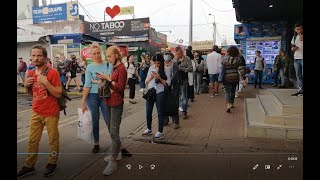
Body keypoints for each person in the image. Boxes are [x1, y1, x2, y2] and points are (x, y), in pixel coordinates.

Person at [17, 45, 62, 178]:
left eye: (39, 55)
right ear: (31, 57)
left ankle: (52, 163)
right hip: (36, 111)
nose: (36, 58)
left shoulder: (52, 72)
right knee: (32, 140)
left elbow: (58, 93)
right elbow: (33, 94)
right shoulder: (30, 73)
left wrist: (46, 83)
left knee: (53, 140)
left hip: (51, 112)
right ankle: (29, 166)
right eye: (34, 55)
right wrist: (26, 86)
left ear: (45, 57)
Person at [96, 46, 127, 176]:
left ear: (116, 55)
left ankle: (113, 162)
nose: (107, 59)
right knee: (111, 129)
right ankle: (117, 153)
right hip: (108, 101)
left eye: (109, 56)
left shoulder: (122, 69)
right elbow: (112, 83)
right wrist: (104, 79)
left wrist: (108, 79)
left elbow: (120, 87)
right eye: (107, 56)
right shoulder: (114, 68)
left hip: (116, 103)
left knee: (114, 131)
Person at [81, 42, 113, 153]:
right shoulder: (89, 67)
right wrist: (83, 101)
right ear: (91, 55)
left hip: (104, 95)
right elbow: (87, 85)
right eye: (94, 54)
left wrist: (103, 78)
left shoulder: (108, 64)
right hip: (92, 96)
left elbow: (110, 79)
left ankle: (116, 143)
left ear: (101, 52)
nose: (97, 55)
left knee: (109, 119)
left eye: (98, 53)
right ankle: (96, 143)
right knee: (94, 120)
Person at [142, 53, 169, 139]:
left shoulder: (165, 69)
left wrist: (159, 78)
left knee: (160, 112)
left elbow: (167, 83)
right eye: (155, 63)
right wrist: (152, 77)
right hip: (151, 91)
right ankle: (149, 128)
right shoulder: (151, 68)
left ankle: (160, 131)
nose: (156, 65)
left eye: (158, 63)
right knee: (148, 111)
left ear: (161, 62)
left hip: (160, 91)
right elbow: (146, 81)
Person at [221, 46, 245, 113]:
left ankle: (228, 104)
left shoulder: (224, 59)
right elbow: (241, 69)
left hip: (227, 77)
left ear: (228, 51)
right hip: (235, 77)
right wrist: (243, 78)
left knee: (227, 92)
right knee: (233, 91)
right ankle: (231, 103)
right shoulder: (238, 59)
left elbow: (222, 69)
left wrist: (221, 78)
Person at [173, 46, 193, 119]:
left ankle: (184, 111)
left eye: (179, 53)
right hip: (176, 80)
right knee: (176, 97)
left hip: (183, 80)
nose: (178, 55)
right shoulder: (174, 59)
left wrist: (182, 69)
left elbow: (191, 69)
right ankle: (177, 111)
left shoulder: (187, 58)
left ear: (182, 52)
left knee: (184, 96)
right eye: (177, 53)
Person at [291, 23, 303, 96]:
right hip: (296, 58)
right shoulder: (294, 37)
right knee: (298, 75)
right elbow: (292, 47)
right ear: (295, 30)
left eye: (301, 29)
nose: (299, 30)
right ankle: (301, 90)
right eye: (297, 29)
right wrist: (293, 48)